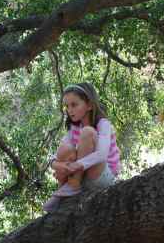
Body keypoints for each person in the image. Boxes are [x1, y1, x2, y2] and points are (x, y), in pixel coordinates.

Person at [43, 82, 121, 212]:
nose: (69, 110)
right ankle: (63, 192)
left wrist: (76, 165)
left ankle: (72, 186)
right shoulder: (74, 128)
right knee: (65, 149)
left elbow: (101, 155)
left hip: (102, 176)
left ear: (89, 105)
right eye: (67, 106)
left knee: (88, 132)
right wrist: (59, 165)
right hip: (83, 178)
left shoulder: (103, 124)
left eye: (74, 105)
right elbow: (55, 156)